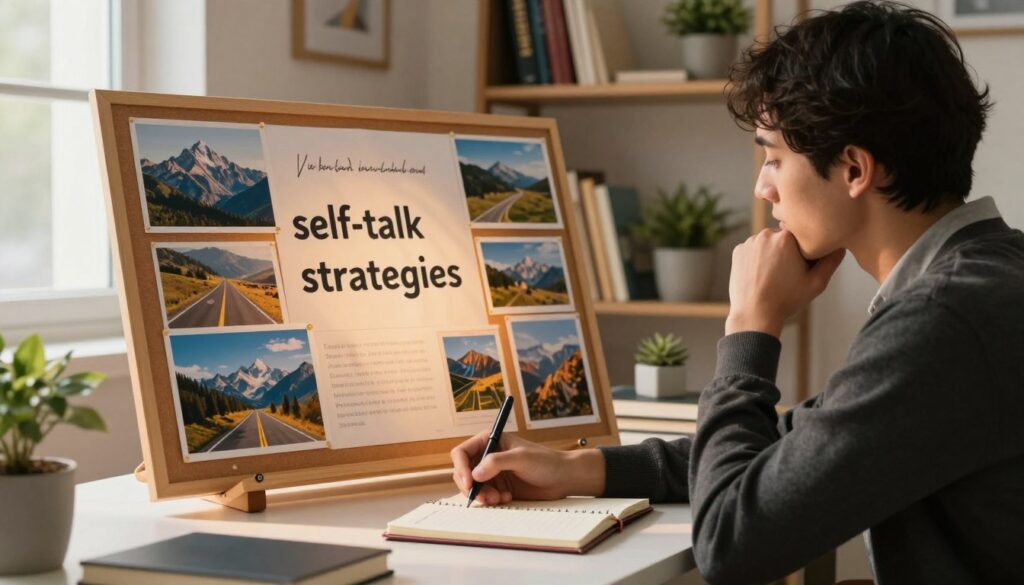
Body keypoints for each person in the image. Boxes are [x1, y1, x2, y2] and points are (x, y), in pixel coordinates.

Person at [450, 2, 1024, 583]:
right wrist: (577, 468)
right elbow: (799, 448)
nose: (762, 186)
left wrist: (750, 326)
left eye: (774, 158)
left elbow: (732, 544)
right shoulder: (988, 275)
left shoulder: (942, 319)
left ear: (854, 170)